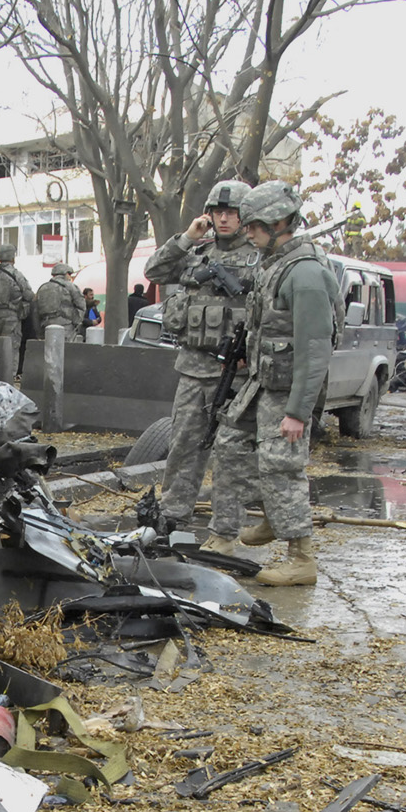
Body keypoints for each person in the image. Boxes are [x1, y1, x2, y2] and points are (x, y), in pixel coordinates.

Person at [216, 179, 339, 584]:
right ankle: (271, 515)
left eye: (253, 226)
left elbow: (315, 348)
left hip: (288, 392)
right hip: (263, 383)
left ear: (280, 222)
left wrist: (298, 412)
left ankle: (301, 559)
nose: (247, 232)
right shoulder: (274, 265)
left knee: (283, 467)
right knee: (231, 445)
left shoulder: (304, 274)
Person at [142, 180, 262, 549]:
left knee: (231, 454)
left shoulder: (260, 259)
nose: (224, 219)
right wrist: (187, 238)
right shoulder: (197, 254)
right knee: (183, 444)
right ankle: (173, 515)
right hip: (193, 367)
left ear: (245, 217)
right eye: (218, 212)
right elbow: (154, 271)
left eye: (232, 213)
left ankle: (225, 529)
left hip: (236, 374)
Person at [0, 242, 34, 382]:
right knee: (10, 350)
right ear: (12, 257)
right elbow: (29, 295)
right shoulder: (16, 274)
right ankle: (8, 380)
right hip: (11, 317)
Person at [33, 262, 86, 338]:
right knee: (66, 348)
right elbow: (81, 305)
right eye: (69, 274)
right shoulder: (70, 286)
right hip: (66, 326)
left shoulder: (42, 288)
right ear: (66, 273)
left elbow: (35, 312)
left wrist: (39, 332)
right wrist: (76, 323)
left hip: (46, 326)